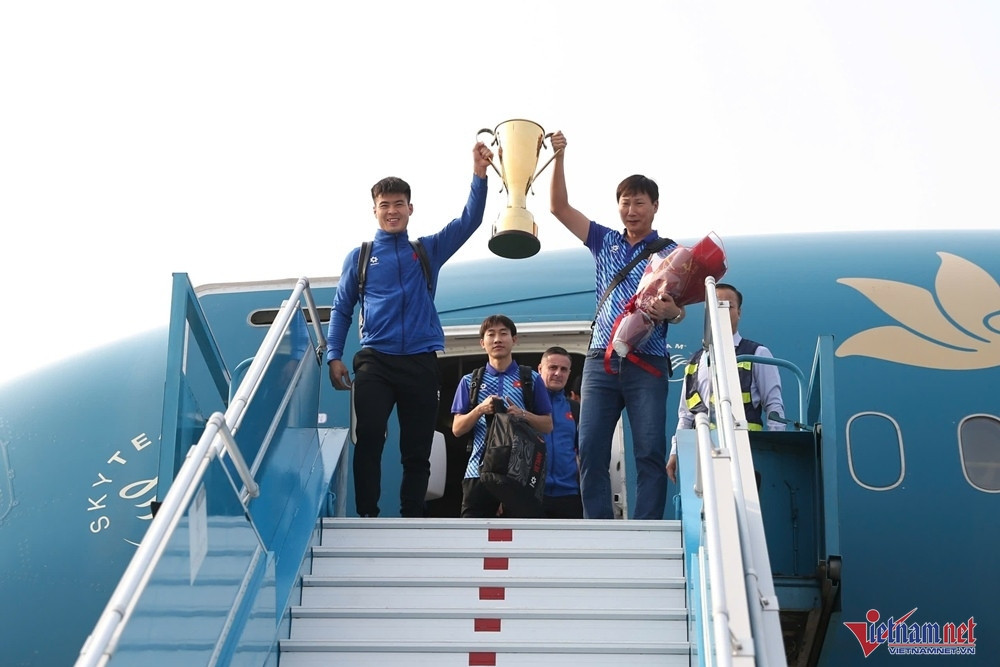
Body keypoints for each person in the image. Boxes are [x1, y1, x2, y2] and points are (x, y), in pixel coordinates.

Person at [326, 142, 494, 518]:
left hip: (420, 360)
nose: (392, 211)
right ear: (375, 211)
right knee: (369, 436)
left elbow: (470, 220)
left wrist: (479, 174)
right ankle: (367, 514)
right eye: (384, 205)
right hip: (375, 360)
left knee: (417, 448)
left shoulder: (426, 251)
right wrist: (335, 355)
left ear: (410, 209)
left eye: (398, 204)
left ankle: (412, 515)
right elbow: (342, 307)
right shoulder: (362, 256)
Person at [549, 130, 684, 520]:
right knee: (589, 447)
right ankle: (598, 526)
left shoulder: (672, 253)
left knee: (649, 450)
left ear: (655, 206)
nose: (631, 210)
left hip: (649, 363)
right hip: (600, 361)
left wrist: (670, 312)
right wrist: (560, 156)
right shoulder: (603, 240)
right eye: (624, 203)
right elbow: (559, 207)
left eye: (639, 203)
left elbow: (682, 311)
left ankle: (645, 528)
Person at [667, 283, 786, 483]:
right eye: (715, 304)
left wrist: (777, 451)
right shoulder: (695, 362)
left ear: (738, 313)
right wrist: (675, 452)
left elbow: (774, 406)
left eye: (727, 305)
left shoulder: (757, 354)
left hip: (748, 452)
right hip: (704, 456)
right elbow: (686, 415)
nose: (721, 309)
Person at [451, 315, 553, 518]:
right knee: (474, 537)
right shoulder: (469, 381)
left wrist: (522, 414)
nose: (497, 339)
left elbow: (547, 425)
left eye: (503, 333)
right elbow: (457, 429)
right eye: (491, 334)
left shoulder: (531, 378)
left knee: (521, 541)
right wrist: (480, 409)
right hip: (477, 472)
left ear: (514, 340)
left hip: (519, 474)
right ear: (483, 343)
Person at [537, 346, 583, 519]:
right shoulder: (526, 405)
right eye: (552, 367)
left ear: (569, 373)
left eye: (563, 369)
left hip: (569, 495)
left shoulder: (576, 409)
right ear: (540, 369)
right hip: (532, 494)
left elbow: (583, 453)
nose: (558, 373)